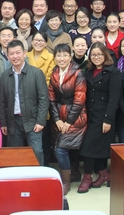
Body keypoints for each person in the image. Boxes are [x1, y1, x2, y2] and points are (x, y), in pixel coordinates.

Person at [78, 42, 122, 193]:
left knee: (88, 147)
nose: (96, 57)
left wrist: (108, 119)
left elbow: (114, 98)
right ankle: (104, 174)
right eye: (93, 55)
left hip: (104, 116)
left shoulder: (113, 72)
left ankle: (87, 177)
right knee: (95, 147)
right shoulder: (88, 71)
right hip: (90, 115)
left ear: (105, 55)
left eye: (99, 54)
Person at [0, 40, 49, 165]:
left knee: (36, 151)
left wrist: (40, 121)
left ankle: (39, 176)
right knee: (14, 154)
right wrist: (3, 123)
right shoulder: (5, 76)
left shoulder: (36, 73)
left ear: (24, 53)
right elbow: (2, 102)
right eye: (11, 54)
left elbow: (43, 99)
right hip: (13, 121)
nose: (15, 56)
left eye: (18, 53)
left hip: (32, 119)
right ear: (8, 56)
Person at [47, 43, 87, 195]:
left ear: (70, 57)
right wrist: (57, 120)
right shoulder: (55, 72)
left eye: (65, 55)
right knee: (61, 147)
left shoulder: (78, 73)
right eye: (59, 55)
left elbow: (79, 100)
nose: (62, 58)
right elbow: (51, 99)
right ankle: (72, 173)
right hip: (59, 115)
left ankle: (66, 182)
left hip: (76, 117)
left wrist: (68, 122)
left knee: (60, 149)